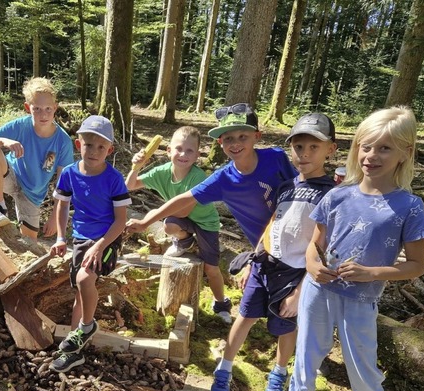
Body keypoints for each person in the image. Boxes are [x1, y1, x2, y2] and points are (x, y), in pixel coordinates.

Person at [272, 106, 424, 391]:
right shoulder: (338, 195)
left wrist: (371, 273)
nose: (372, 157)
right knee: (309, 349)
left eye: (385, 149)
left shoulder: (408, 205)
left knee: (363, 368)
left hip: (360, 301)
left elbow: (416, 265)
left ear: (405, 153)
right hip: (318, 292)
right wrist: (312, 266)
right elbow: (315, 245)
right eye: (366, 147)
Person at [126, 103, 297, 376]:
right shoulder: (223, 179)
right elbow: (183, 200)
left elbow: (299, 190)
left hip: (297, 244)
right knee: (256, 308)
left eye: (242, 136)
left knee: (294, 307)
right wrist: (147, 221)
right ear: (220, 143)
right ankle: (233, 367)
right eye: (228, 138)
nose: (235, 143)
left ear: (257, 136)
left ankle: (295, 365)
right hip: (265, 251)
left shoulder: (275, 159)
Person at [212, 113, 337, 391]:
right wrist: (254, 257)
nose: (304, 154)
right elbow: (274, 224)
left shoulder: (332, 195)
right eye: (298, 147)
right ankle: (224, 368)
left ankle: (279, 372)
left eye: (313, 148)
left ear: (330, 149)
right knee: (244, 316)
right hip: (265, 265)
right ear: (289, 148)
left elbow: (325, 249)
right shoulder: (286, 186)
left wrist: (299, 290)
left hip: (295, 274)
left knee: (286, 325)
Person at [49, 115, 131, 373]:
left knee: (85, 279)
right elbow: (62, 205)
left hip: (107, 238)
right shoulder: (70, 174)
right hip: (80, 239)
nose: (94, 151)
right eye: (88, 145)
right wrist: (61, 237)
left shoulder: (114, 179)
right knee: (80, 292)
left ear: (110, 150)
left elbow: (120, 221)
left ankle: (87, 326)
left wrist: (101, 246)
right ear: (78, 144)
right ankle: (76, 349)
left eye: (101, 147)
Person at [125, 126, 232, 323]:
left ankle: (221, 304)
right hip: (182, 222)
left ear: (198, 155)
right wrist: (137, 166)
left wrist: (147, 220)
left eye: (190, 150)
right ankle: (184, 242)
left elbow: (183, 210)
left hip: (205, 224)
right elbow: (130, 186)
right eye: (178, 149)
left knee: (211, 267)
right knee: (169, 226)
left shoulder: (197, 177)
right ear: (168, 151)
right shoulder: (162, 172)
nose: (183, 154)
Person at [0, 77, 74, 239]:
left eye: (48, 108)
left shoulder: (63, 141)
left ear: (55, 108)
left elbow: (63, 183)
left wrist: (55, 217)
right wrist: (3, 141)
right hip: (10, 177)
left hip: (33, 194)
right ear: (28, 108)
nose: (43, 114)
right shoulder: (20, 126)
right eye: (37, 109)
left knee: (29, 244)